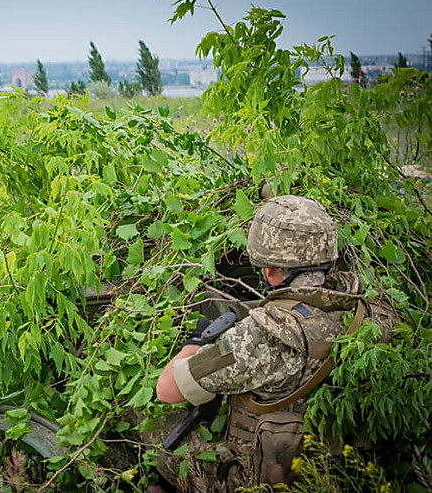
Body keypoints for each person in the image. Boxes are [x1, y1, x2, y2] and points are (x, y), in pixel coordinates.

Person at [152, 195, 392, 491]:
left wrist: (196, 341)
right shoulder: (374, 315)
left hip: (265, 482)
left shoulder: (265, 336)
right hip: (349, 472)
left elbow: (168, 389)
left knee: (153, 432)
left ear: (269, 269)